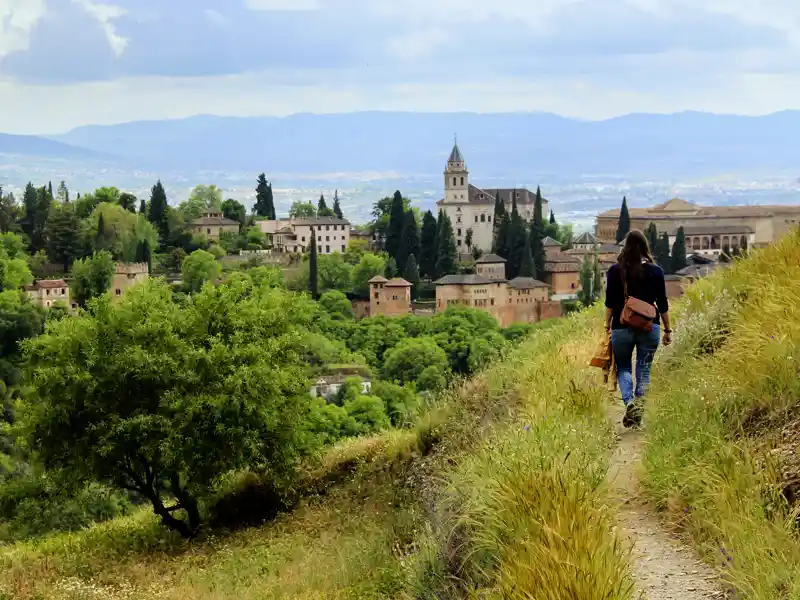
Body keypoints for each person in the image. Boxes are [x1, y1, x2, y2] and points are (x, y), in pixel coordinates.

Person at [604, 229, 672, 428]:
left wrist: (606, 326)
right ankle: (639, 407)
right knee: (644, 368)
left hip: (621, 326)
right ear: (645, 247)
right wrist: (668, 329)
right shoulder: (656, 271)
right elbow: (663, 303)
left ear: (625, 247)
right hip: (649, 327)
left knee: (623, 366)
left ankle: (629, 402)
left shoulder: (615, 271)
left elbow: (609, 303)